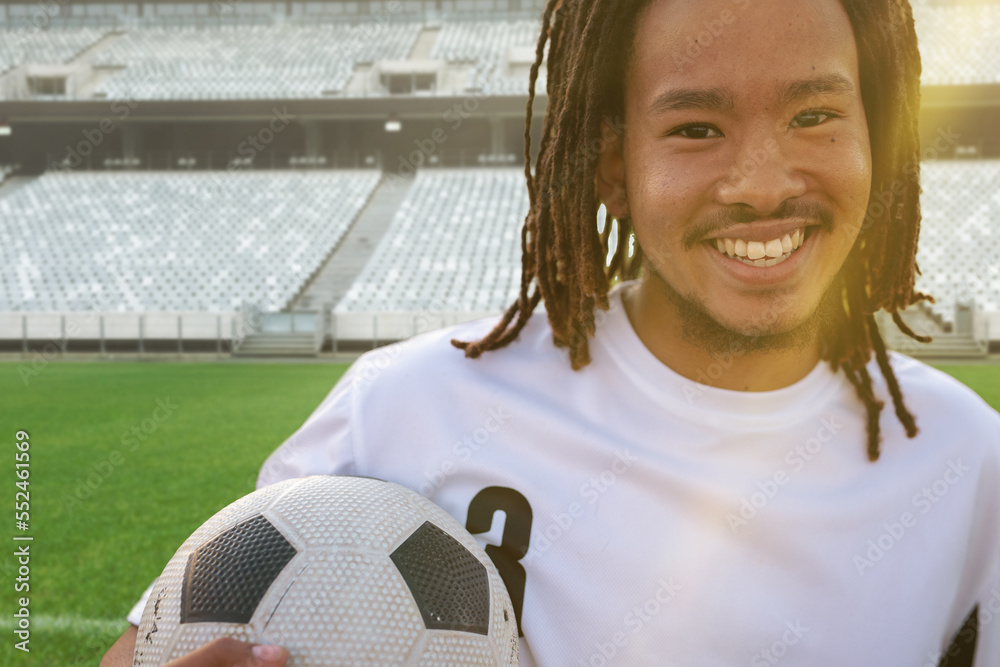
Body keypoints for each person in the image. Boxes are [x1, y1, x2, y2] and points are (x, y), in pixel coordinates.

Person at [104, 0, 1000, 664]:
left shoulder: (968, 464)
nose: (761, 183)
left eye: (814, 116)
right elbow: (159, 646)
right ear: (614, 168)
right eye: (695, 127)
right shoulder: (406, 410)